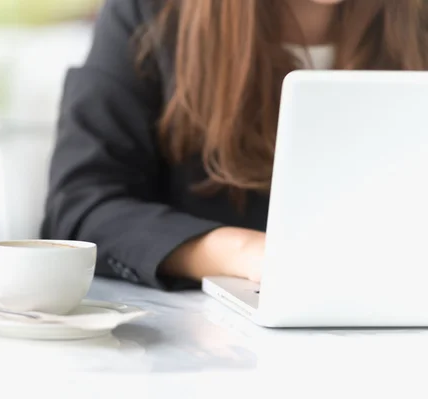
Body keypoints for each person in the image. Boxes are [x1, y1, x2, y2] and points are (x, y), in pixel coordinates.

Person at [40, 0, 428, 290]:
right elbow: (82, 208)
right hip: (198, 344)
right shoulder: (152, 13)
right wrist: (245, 253)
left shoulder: (416, 24)